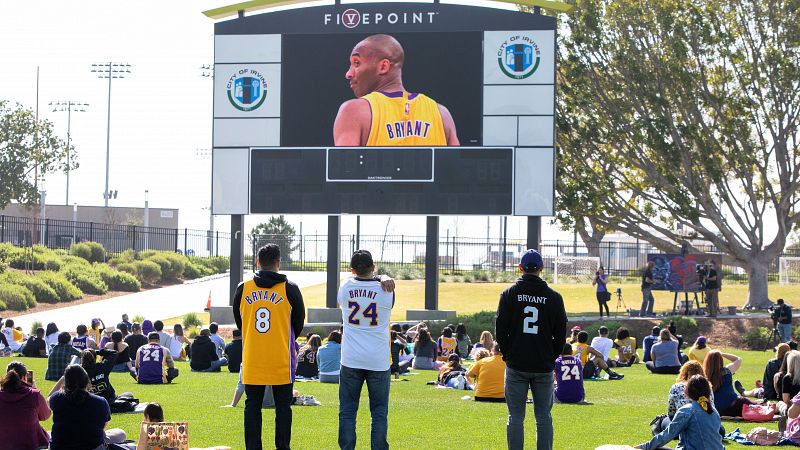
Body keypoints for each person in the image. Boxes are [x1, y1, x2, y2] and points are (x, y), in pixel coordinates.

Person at [232, 244, 306, 450]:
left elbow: (240, 321)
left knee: (252, 406)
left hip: (253, 357)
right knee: (283, 407)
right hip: (281, 358)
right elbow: (298, 322)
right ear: (278, 263)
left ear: (257, 262)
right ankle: (282, 447)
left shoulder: (243, 287)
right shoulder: (290, 288)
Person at [496, 249, 568, 450]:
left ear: (520, 268)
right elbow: (561, 335)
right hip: (542, 364)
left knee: (516, 417)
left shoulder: (509, 294)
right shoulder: (554, 297)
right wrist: (550, 355)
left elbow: (500, 331)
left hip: (517, 362)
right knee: (543, 417)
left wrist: (508, 354)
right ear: (541, 269)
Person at [333, 34, 459, 147]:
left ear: (383, 67)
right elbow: (456, 170)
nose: (348, 74)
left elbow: (344, 171)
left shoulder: (353, 111)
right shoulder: (442, 114)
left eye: (356, 63)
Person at [337, 249, 396, 450]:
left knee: (347, 410)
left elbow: (352, 279)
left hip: (351, 358)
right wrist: (382, 276)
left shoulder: (344, 287)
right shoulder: (387, 290)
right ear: (373, 267)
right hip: (378, 359)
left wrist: (377, 276)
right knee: (379, 412)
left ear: (352, 269)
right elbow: (376, 281)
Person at [634, 375, 724, 450]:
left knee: (654, 448)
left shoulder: (687, 410)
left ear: (687, 391)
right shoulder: (713, 410)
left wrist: (643, 447)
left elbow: (667, 435)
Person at [49, 364, 111, 450]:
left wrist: (62, 380)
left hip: (60, 447)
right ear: (86, 381)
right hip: (93, 446)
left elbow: (48, 400)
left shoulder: (56, 398)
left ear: (66, 382)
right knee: (120, 434)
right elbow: (102, 426)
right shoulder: (100, 401)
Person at [0, 360, 51, 449]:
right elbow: (45, 416)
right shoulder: (33, 395)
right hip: (30, 445)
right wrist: (34, 389)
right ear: (24, 377)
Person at [704, 350, 754, 417]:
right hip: (736, 406)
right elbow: (738, 359)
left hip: (718, 410)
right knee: (759, 406)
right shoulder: (726, 371)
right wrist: (722, 354)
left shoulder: (703, 376)